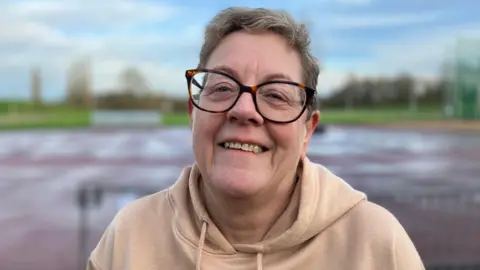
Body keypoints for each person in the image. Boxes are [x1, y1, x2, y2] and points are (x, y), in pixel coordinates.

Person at [86, 7, 425, 270]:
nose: (245, 110)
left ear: (308, 129)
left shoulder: (376, 245)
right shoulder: (129, 238)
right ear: (193, 113)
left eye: (276, 95)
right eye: (222, 87)